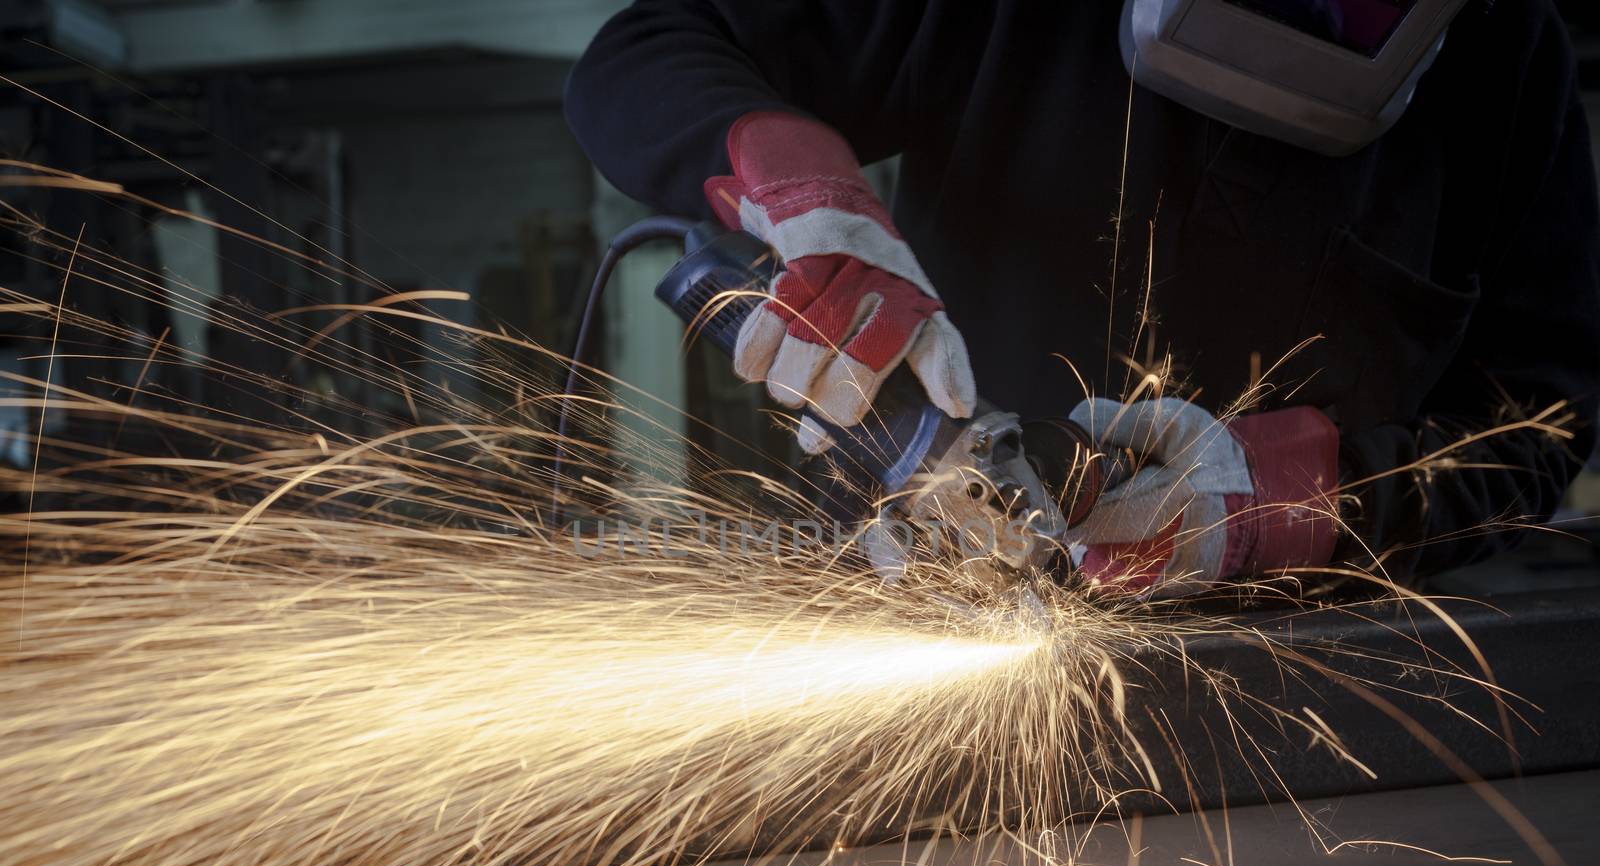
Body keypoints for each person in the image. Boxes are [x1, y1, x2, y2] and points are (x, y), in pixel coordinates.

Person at [565, 1, 1600, 594]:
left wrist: (1298, 505)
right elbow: (651, 49)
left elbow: (1540, 422)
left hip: (1329, 671)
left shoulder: (1507, 59)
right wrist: (797, 179)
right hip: (929, 600)